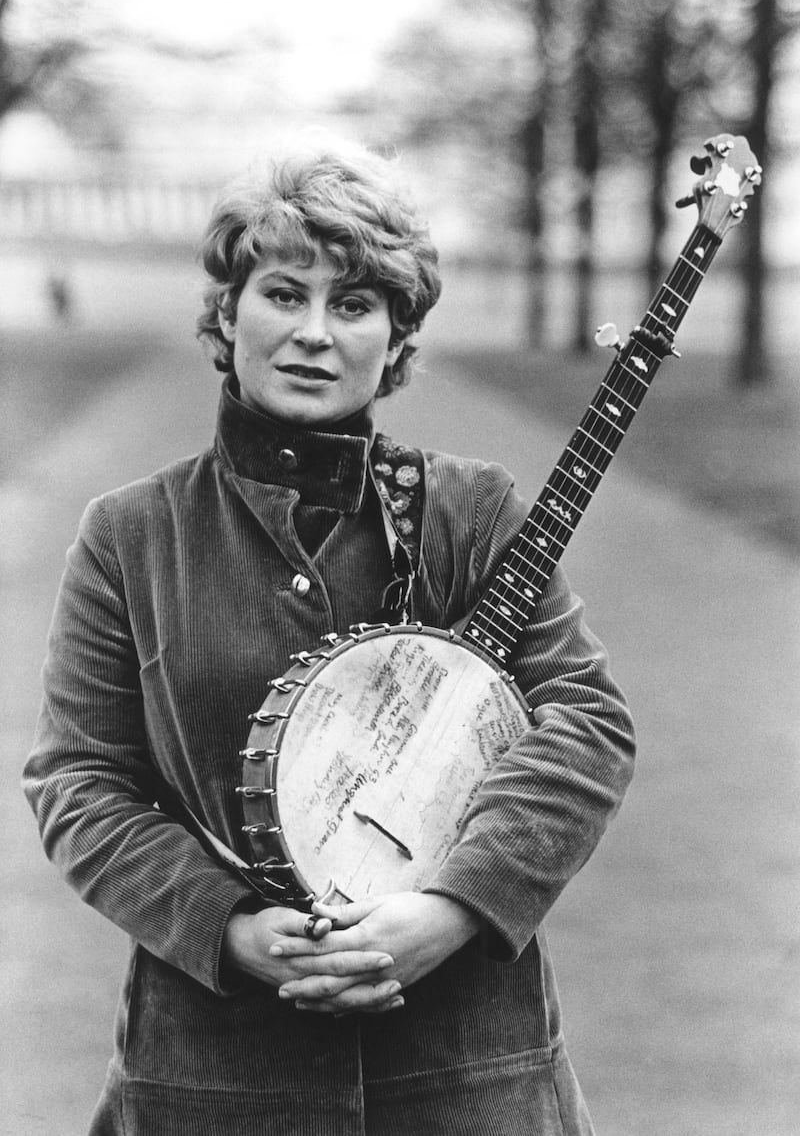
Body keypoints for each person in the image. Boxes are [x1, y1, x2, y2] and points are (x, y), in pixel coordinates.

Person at [23, 136, 635, 1135]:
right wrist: (231, 929)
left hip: (466, 1067)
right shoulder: (131, 534)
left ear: (394, 340)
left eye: (353, 304)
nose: (313, 331)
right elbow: (78, 781)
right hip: (214, 1075)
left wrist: (453, 911)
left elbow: (585, 723)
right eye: (282, 292)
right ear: (227, 310)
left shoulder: (470, 512)